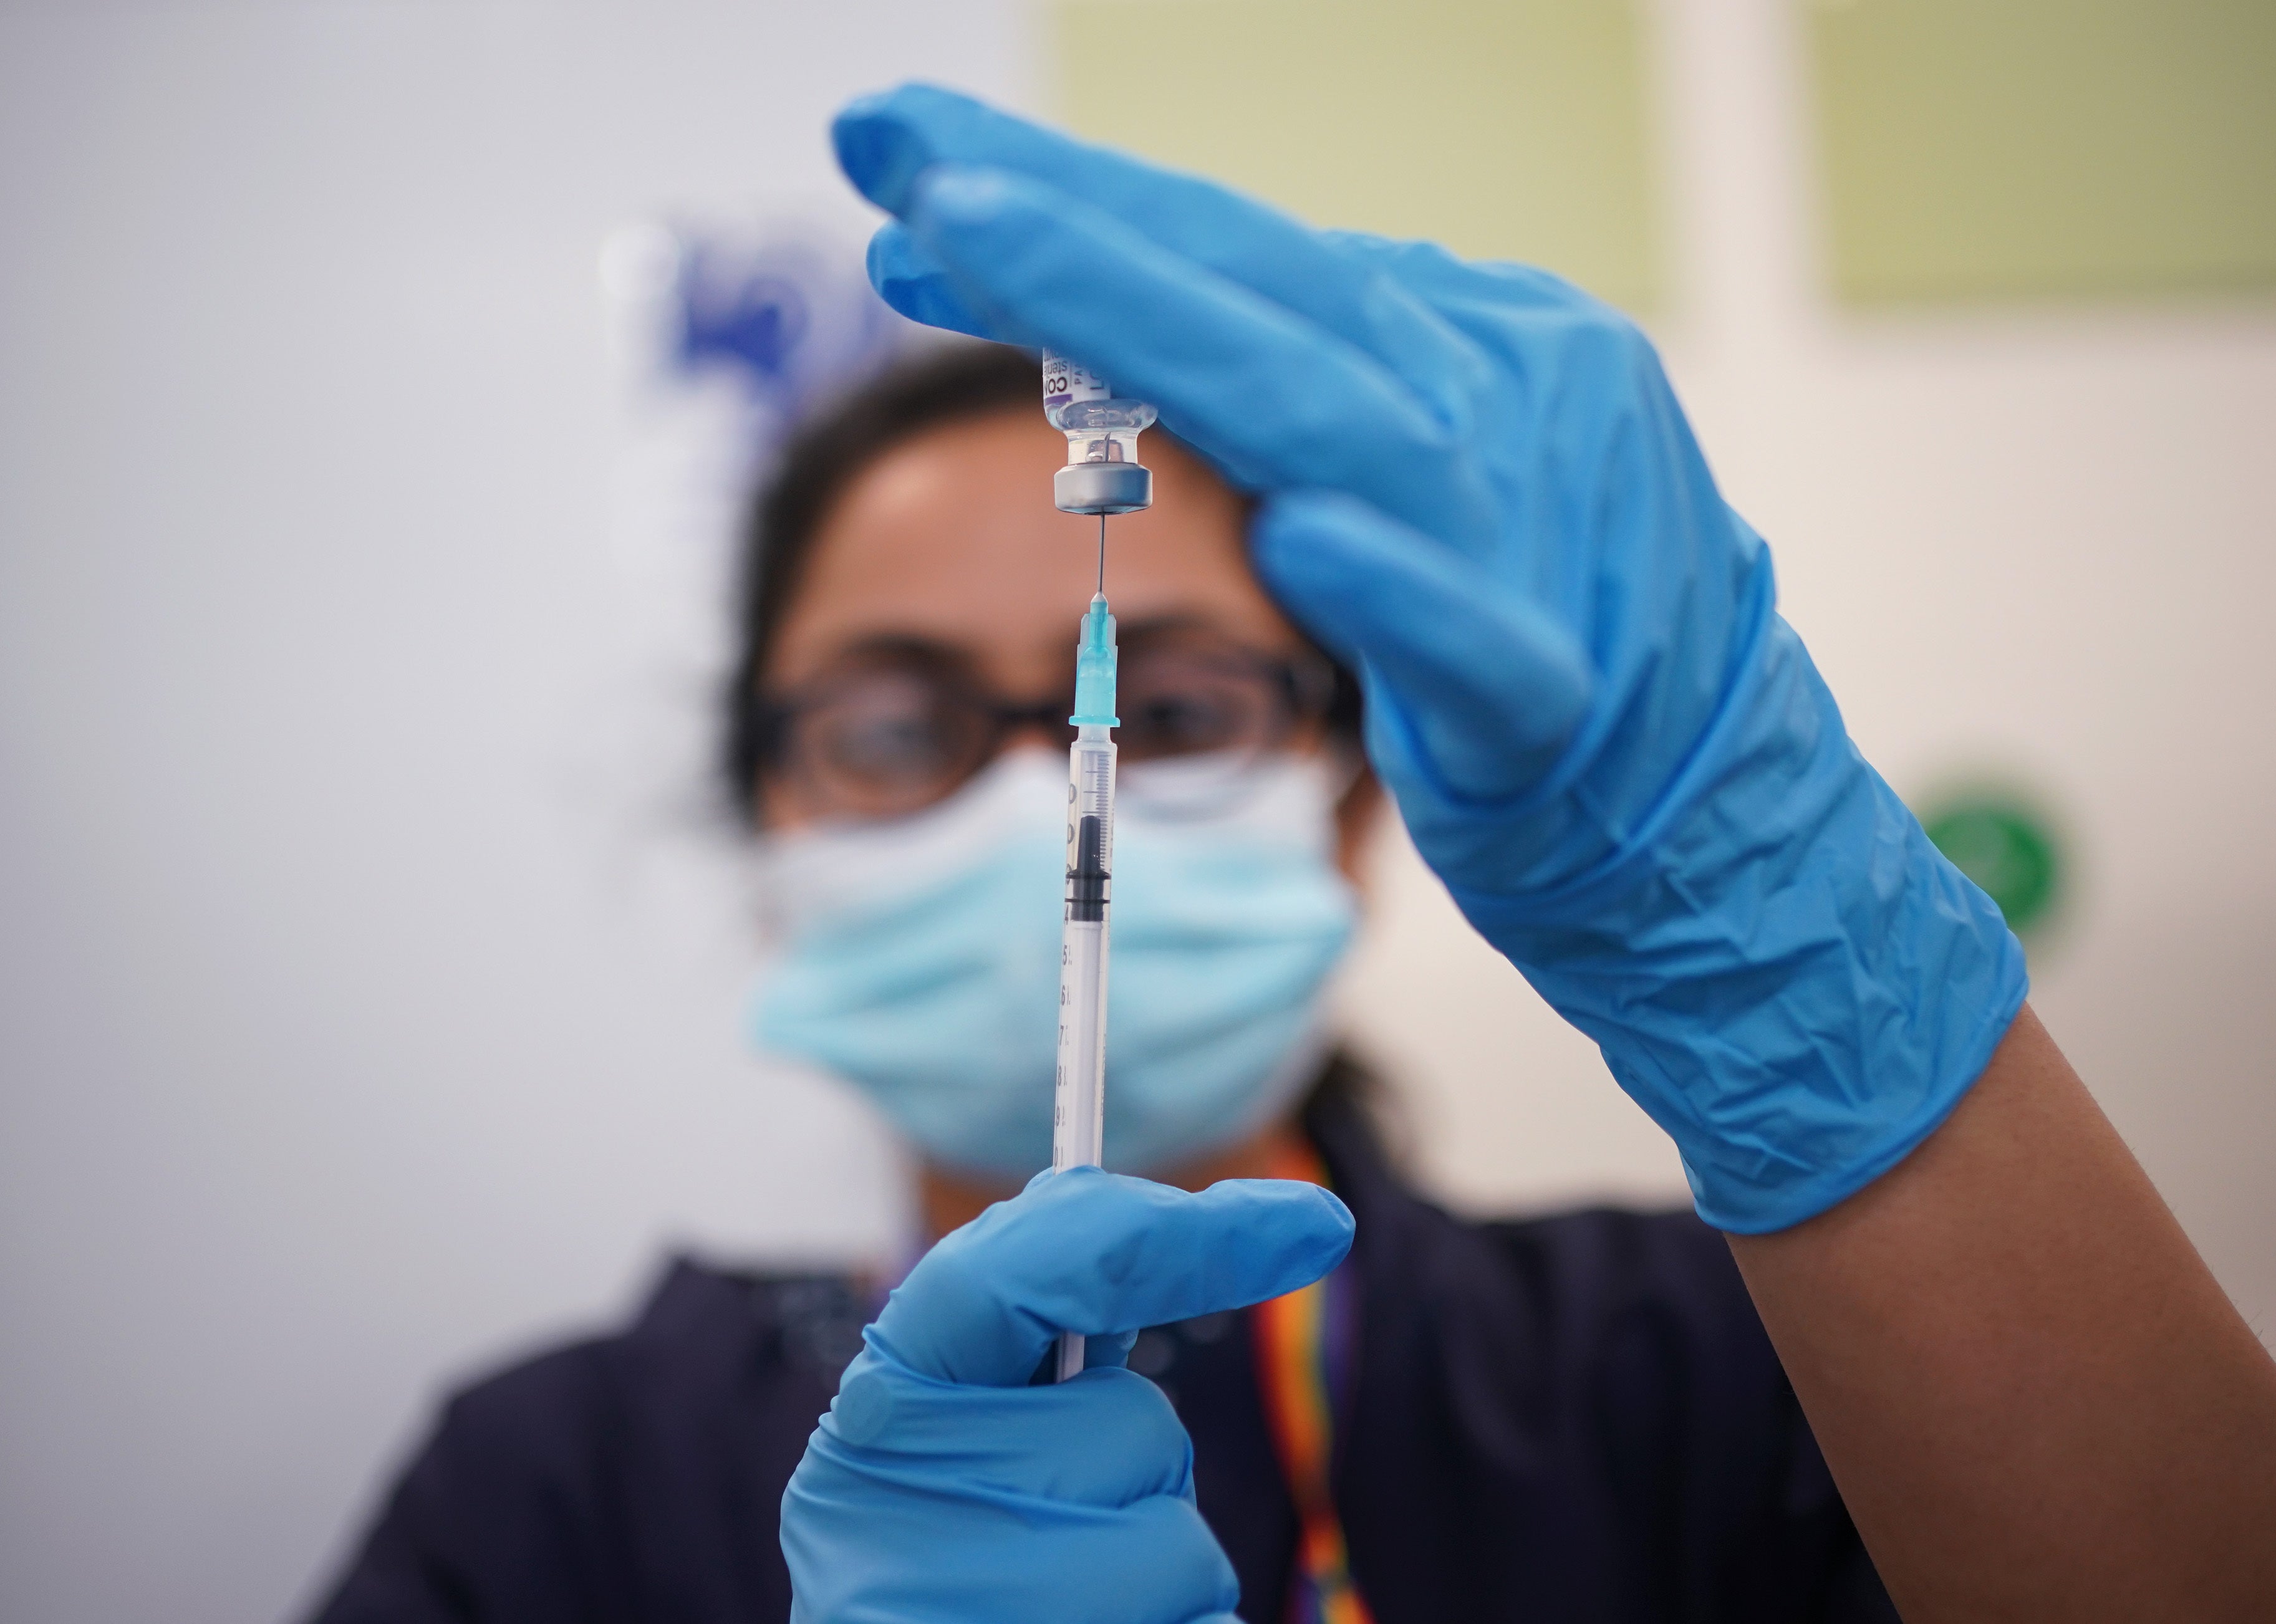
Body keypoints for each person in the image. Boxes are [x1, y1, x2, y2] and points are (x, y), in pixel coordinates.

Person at [309, 86, 2276, 1624]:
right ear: (766, 828)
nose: (1033, 793)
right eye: (895, 726)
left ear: (1350, 804)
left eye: (1160, 716)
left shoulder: (1703, 1373)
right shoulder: (552, 1487)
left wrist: (1799, 960)